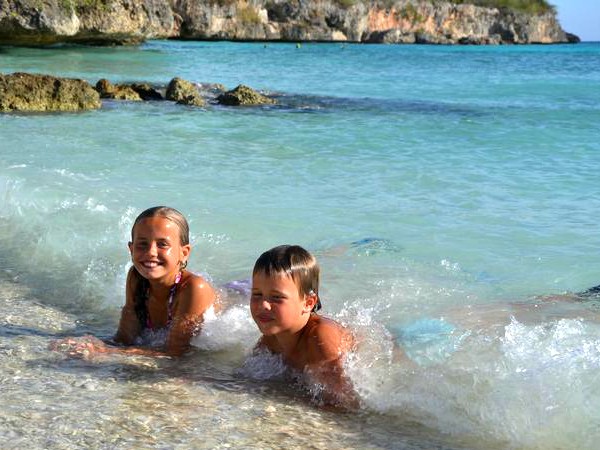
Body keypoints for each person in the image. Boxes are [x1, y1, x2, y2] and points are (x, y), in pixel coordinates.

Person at [51, 206, 217, 358]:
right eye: (142, 244)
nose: (151, 252)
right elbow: (123, 340)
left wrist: (108, 352)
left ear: (184, 252)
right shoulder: (137, 279)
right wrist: (89, 344)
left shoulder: (194, 289)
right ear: (131, 249)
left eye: (162, 244)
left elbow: (175, 352)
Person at [249, 244, 357, 407]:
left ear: (308, 303)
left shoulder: (321, 338)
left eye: (276, 297)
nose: (263, 304)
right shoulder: (271, 338)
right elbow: (247, 376)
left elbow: (344, 403)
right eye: (257, 294)